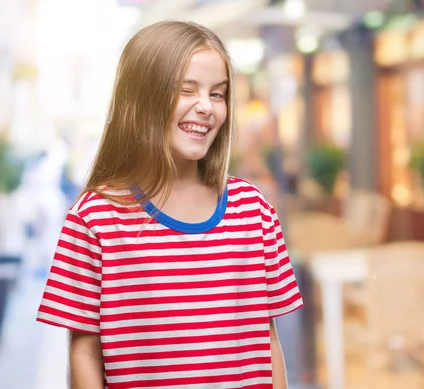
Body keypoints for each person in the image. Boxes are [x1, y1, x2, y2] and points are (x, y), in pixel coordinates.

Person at [36, 21, 303, 389]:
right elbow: (84, 352)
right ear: (143, 97)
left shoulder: (254, 211)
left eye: (218, 94)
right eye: (186, 90)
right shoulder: (94, 219)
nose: (206, 107)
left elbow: (267, 339)